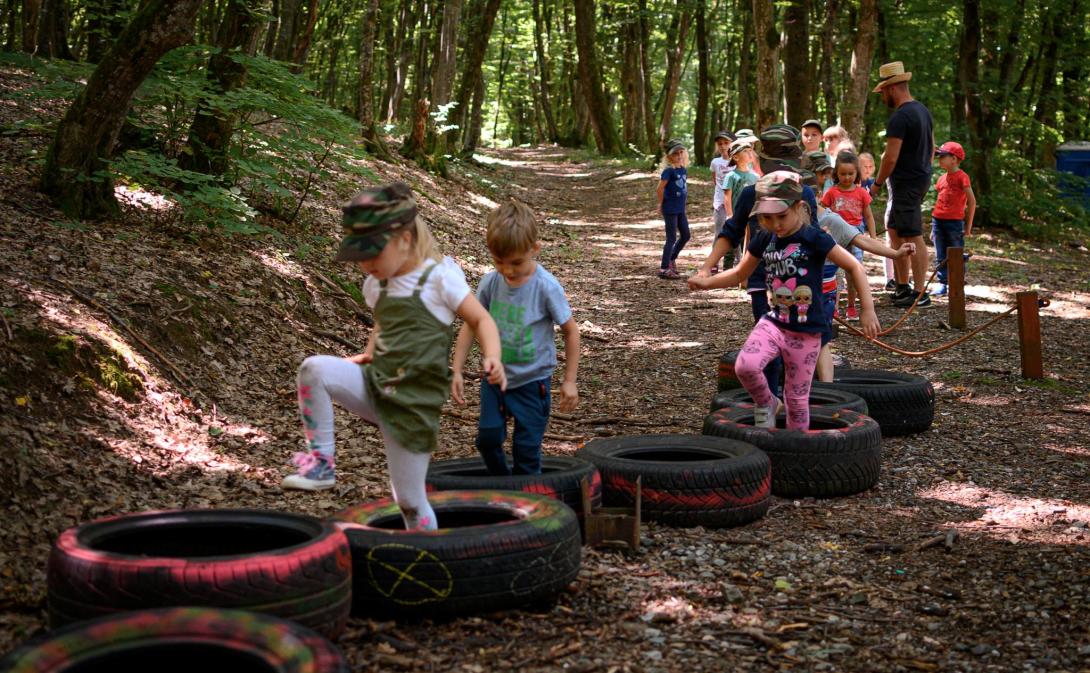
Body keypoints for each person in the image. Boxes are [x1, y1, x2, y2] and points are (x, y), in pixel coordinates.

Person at [283, 183, 507, 533]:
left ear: (404, 238)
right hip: (377, 385)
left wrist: (492, 357)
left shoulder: (439, 280)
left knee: (409, 500)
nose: (365, 264)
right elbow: (382, 325)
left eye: (373, 253)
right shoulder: (377, 285)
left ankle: (430, 557)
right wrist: (369, 356)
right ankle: (321, 463)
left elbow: (480, 319)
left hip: (413, 404)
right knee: (314, 369)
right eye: (359, 255)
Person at [689, 171, 879, 429]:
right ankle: (767, 402)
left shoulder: (813, 237)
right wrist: (707, 281)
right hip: (774, 323)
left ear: (799, 208)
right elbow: (740, 273)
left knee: (796, 400)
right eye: (767, 218)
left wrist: (867, 309)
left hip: (807, 331)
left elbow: (854, 266)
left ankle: (794, 450)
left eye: (782, 216)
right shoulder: (765, 237)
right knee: (746, 366)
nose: (775, 224)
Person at [451, 200, 581, 476]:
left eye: (516, 262)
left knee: (526, 450)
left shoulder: (546, 287)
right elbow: (471, 324)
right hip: (495, 379)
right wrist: (458, 370)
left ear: (535, 249)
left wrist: (569, 381)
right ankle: (503, 485)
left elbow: (571, 331)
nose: (508, 270)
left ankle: (530, 503)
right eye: (499, 262)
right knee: (487, 439)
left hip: (533, 382)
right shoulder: (490, 283)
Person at [692, 124, 821, 399]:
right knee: (769, 345)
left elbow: (817, 241)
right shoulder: (751, 193)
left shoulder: (804, 195)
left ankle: (795, 404)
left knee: (799, 346)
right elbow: (731, 231)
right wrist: (707, 267)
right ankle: (769, 405)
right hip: (763, 282)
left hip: (801, 289)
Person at [799, 157, 915, 381]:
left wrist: (896, 253)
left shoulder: (830, 221)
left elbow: (861, 242)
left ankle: (826, 389)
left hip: (822, 289)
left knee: (820, 338)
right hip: (793, 291)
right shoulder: (782, 222)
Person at [869, 61, 935, 308]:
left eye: (884, 91)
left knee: (912, 233)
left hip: (907, 182)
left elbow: (890, 157)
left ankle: (920, 293)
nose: (883, 96)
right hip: (916, 180)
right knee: (895, 230)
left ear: (893, 88)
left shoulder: (901, 116)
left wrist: (876, 184)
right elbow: (931, 148)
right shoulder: (923, 111)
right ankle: (902, 286)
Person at [821, 152, 876, 321]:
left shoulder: (861, 193)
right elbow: (821, 212)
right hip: (836, 235)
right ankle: (834, 306)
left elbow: (868, 216)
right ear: (836, 173)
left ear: (856, 173)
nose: (847, 177)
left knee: (853, 271)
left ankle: (852, 306)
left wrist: (872, 236)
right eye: (843, 174)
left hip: (856, 235)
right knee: (834, 272)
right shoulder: (831, 192)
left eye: (850, 174)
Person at [930, 141, 976, 297]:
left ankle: (956, 284)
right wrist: (932, 228)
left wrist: (968, 227)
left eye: (943, 156)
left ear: (954, 159)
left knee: (955, 253)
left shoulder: (962, 177)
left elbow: (972, 201)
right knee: (940, 254)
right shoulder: (941, 179)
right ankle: (943, 283)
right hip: (938, 221)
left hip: (954, 223)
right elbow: (939, 201)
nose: (939, 159)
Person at [657, 139, 690, 279]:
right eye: (676, 153)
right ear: (669, 156)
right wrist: (661, 204)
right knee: (671, 238)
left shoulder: (683, 169)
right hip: (670, 208)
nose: (679, 155)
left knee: (686, 235)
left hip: (680, 208)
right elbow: (659, 188)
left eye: (681, 152)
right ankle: (664, 268)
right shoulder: (668, 171)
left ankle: (671, 259)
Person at [710, 131, 736, 273]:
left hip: (735, 203)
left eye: (726, 143)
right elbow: (715, 179)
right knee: (719, 233)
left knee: (736, 233)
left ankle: (737, 261)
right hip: (720, 203)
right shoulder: (715, 162)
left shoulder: (737, 160)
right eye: (720, 144)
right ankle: (713, 263)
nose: (723, 146)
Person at [723, 137, 759, 217]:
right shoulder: (730, 176)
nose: (750, 153)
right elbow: (727, 197)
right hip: (737, 216)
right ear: (736, 157)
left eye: (750, 150)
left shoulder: (756, 176)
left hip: (752, 215)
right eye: (745, 151)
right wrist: (729, 215)